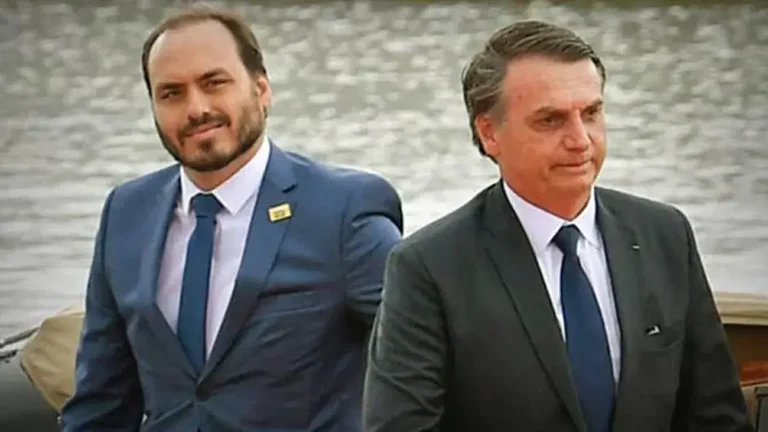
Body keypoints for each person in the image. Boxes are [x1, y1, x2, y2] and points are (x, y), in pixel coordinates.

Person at [362, 20, 753, 432]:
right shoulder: (428, 267)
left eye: (591, 113)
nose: (581, 140)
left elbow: (717, 418)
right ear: (490, 133)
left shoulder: (664, 234)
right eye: (551, 120)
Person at [59, 6, 403, 432]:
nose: (196, 108)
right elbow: (101, 402)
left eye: (214, 83)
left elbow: (425, 358)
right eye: (171, 93)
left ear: (262, 89)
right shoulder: (126, 213)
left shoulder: (343, 210)